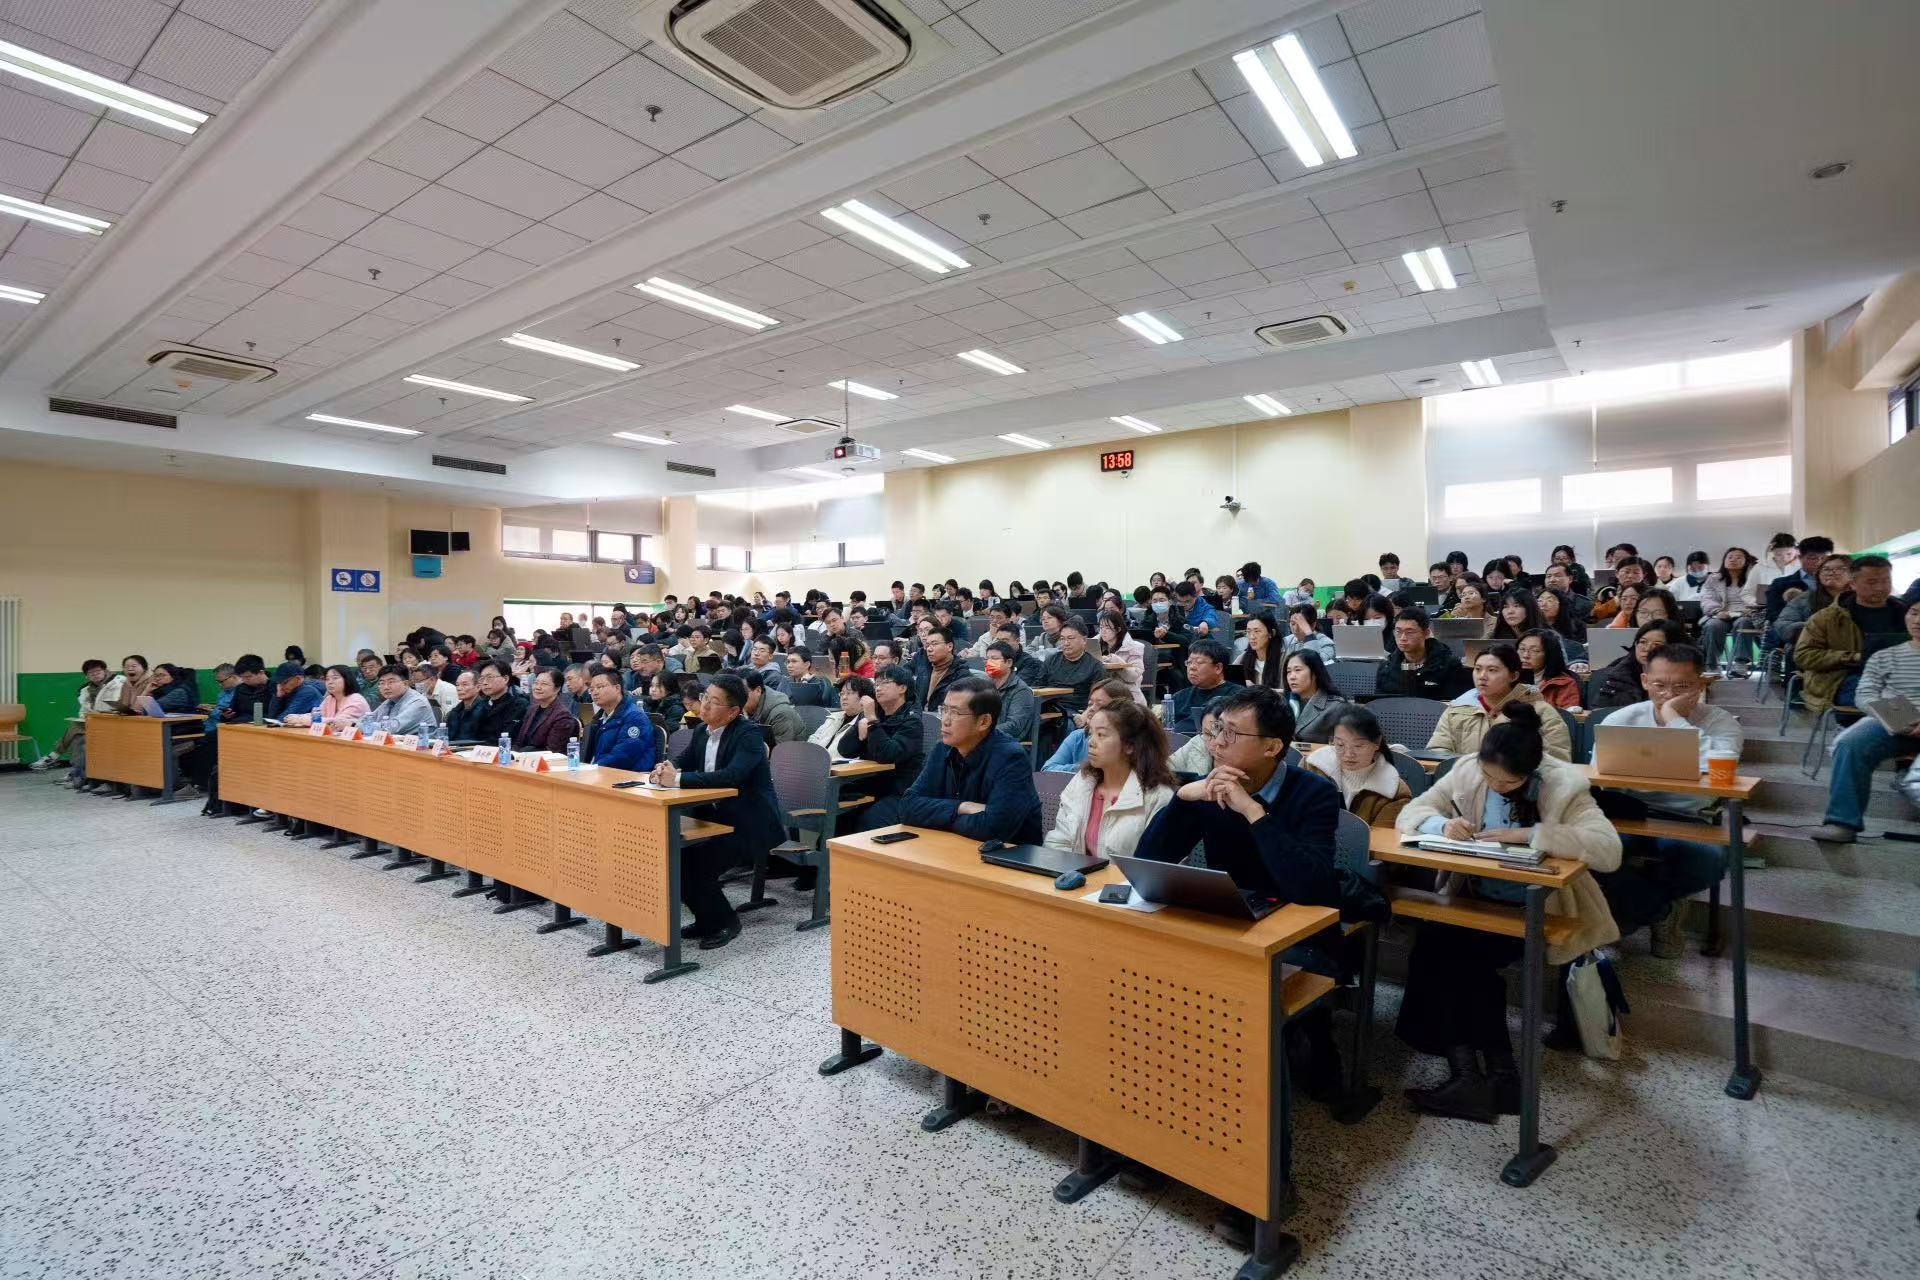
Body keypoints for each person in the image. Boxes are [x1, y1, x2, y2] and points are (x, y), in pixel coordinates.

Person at [1394, 701, 1621, 1120]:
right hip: (1477, 898)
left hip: (1539, 906)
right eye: (1489, 777)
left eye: (1508, 781)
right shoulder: (1469, 769)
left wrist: (1533, 834)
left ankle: (1481, 1077)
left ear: (1531, 772)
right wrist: (1442, 825)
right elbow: (1412, 812)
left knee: (1460, 960)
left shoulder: (1563, 785)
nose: (1496, 786)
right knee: (1436, 944)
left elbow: (1609, 850)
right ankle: (1492, 1076)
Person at [1133, 685, 1386, 924]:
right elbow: (1145, 870)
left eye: (1231, 733)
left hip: (1297, 927)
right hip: (1229, 918)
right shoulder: (1210, 789)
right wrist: (1181, 799)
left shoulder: (1315, 793)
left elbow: (1309, 889)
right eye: (1218, 729)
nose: (1217, 742)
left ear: (1272, 747)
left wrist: (1253, 812)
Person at [1594, 642, 1743, 954]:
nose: (1668, 695)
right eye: (1659, 685)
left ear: (1701, 685)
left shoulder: (1721, 721)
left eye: (1682, 687)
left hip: (1689, 817)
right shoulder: (1622, 718)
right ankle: (1662, 911)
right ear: (1645, 681)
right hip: (1628, 813)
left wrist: (1674, 719)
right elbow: (1599, 770)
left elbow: (1716, 769)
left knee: (1708, 859)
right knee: (1594, 849)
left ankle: (1627, 914)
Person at [650, 676, 786, 949]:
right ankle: (706, 920)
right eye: (705, 698)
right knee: (678, 859)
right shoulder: (703, 730)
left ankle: (726, 922)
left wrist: (678, 780)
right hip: (714, 818)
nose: (705, 705)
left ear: (733, 711)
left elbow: (731, 776)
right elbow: (683, 760)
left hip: (750, 823)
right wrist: (665, 768)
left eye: (714, 702)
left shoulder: (748, 735)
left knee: (697, 866)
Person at [1805, 599, 1920, 842]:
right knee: (1850, 743)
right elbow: (1865, 694)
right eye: (1914, 613)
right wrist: (1901, 719)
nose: (1917, 620)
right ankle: (1842, 823)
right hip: (1895, 720)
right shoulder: (1885, 655)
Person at [901, 677, 1043, 843]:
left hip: (1007, 855)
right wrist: (962, 807)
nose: (945, 720)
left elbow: (993, 829)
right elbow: (907, 807)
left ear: (984, 721)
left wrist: (938, 817)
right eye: (944, 709)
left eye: (955, 713)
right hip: (954, 846)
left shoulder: (1011, 758)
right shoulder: (942, 749)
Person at [1042, 699, 1175, 859]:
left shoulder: (1158, 797)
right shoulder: (1083, 781)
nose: (1091, 742)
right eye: (1090, 733)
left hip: (1126, 876)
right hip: (1075, 873)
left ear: (1130, 746)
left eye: (1101, 735)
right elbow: (1058, 842)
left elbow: (1155, 865)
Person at [1795, 555, 1910, 716]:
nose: (1880, 587)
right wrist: (1853, 657)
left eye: (1886, 581)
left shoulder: (1908, 614)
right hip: (1843, 679)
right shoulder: (1827, 618)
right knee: (1887, 699)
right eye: (1871, 582)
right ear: (1853, 583)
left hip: (1902, 675)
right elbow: (1803, 655)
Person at [1428, 645, 1572, 760]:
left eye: (1492, 670)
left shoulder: (1541, 713)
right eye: (1477, 669)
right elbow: (1437, 752)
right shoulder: (1457, 709)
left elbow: (1556, 763)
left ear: (1513, 676)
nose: (1482, 676)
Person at [1302, 705, 1412, 827]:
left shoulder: (1395, 793)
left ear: (1377, 742)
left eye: (1358, 746)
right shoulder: (1310, 767)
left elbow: (1378, 837)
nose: (1348, 754)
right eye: (1340, 744)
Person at [31, 659, 112, 771]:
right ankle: (76, 772)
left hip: (111, 720)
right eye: (91, 673)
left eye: (98, 671)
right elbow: (83, 710)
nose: (95, 674)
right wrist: (84, 717)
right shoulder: (85, 690)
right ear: (87, 676)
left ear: (105, 671)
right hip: (94, 721)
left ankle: (54, 757)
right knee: (77, 736)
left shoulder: (116, 683)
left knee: (75, 727)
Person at [1375, 606, 1471, 701]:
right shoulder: (1387, 667)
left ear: (1426, 633)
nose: (1402, 638)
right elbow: (1380, 702)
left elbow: (1456, 702)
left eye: (1409, 632)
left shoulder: (1448, 665)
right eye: (1398, 631)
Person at [1591, 619, 1690, 709]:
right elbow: (1599, 712)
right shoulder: (1618, 675)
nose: (1647, 648)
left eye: (1657, 644)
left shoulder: (1685, 678)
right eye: (1643, 642)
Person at [1697, 547, 1760, 674]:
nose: (1733, 560)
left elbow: (1761, 599)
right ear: (1724, 560)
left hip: (1746, 614)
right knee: (1712, 625)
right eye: (1729, 557)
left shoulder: (1754, 579)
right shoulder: (1713, 578)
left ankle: (1740, 664)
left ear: (1746, 562)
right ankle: (1712, 665)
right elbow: (1707, 598)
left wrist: (1752, 609)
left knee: (1743, 623)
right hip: (1721, 614)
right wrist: (1716, 611)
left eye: (1738, 557)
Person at [1042, 679, 1127, 772]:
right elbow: (1048, 769)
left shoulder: (1127, 742)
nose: (1091, 709)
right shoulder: (1078, 737)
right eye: (1090, 704)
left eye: (1099, 705)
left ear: (1119, 710)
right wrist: (1085, 768)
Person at [1772, 552, 1852, 649]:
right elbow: (1783, 625)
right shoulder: (1803, 599)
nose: (1831, 572)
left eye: (1839, 569)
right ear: (1818, 574)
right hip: (1810, 649)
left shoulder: (1861, 597)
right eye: (1826, 569)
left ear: (1853, 574)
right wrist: (1817, 629)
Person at [1168, 638, 1238, 731]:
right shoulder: (1179, 697)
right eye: (1189, 662)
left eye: (1199, 662)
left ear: (1218, 668)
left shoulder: (1236, 696)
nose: (1192, 667)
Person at [981, 640, 1038, 747]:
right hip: (982, 738)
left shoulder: (1021, 691)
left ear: (1009, 663)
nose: (988, 663)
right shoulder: (983, 686)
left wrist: (982, 732)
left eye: (994, 659)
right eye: (987, 659)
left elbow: (1014, 727)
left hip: (1005, 743)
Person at [1765, 536, 1834, 622]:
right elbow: (1773, 615)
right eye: (1813, 558)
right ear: (1800, 557)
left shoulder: (1839, 582)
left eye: (1825, 558)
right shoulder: (1780, 584)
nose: (1820, 562)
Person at [1282, 650, 1345, 743]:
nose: (1291, 677)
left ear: (1315, 673)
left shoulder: (1336, 707)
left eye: (1297, 670)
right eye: (1288, 671)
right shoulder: (1281, 703)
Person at [511, 669, 579, 755]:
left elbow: (553, 751)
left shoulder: (562, 716)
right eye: (536, 683)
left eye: (544, 684)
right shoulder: (532, 709)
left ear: (557, 689)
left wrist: (522, 753)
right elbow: (519, 741)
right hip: (523, 757)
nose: (537, 687)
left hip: (546, 761)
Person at [358, 664, 438, 737]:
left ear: (405, 684)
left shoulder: (418, 702)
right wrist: (353, 723)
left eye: (391, 682)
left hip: (420, 746)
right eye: (382, 683)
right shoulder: (391, 700)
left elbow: (391, 728)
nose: (386, 687)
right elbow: (369, 718)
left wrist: (355, 725)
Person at [283, 664, 368, 729]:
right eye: (327, 679)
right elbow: (317, 715)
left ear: (347, 679)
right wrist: (297, 717)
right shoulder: (330, 699)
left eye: (335, 678)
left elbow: (336, 723)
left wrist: (301, 720)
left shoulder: (356, 700)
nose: (330, 682)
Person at [1516, 629, 1581, 709]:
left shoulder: (1563, 684)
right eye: (1522, 649)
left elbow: (1568, 714)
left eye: (1535, 650)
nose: (1525, 655)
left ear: (1549, 654)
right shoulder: (1509, 678)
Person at [1094, 609, 1147, 704]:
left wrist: (1115, 659)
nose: (1103, 631)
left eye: (1107, 627)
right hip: (1104, 694)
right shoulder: (1097, 644)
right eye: (1101, 627)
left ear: (1118, 629)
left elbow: (1133, 676)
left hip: (1128, 696)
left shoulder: (1134, 647)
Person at [468, 661, 528, 742]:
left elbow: (508, 736)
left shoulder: (518, 704)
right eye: (482, 679)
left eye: (489, 677)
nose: (484, 683)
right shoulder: (480, 704)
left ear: (505, 679)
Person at [742, 670, 807, 744]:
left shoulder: (781, 713)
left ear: (758, 690)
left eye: (743, 693)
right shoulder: (738, 708)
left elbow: (782, 749)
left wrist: (746, 725)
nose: (738, 698)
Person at [914, 623, 967, 713]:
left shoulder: (961, 674)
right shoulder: (924, 670)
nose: (929, 649)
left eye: (934, 644)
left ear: (949, 646)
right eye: (927, 645)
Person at [1239, 611, 1285, 689]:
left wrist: (1254, 688)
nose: (1252, 637)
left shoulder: (1284, 659)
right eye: (1248, 631)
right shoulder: (1243, 657)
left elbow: (1290, 693)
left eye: (1257, 631)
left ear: (1271, 633)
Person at [133, 663, 197, 716]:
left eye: (162, 675)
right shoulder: (159, 691)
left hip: (183, 726)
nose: (157, 678)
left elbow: (149, 710)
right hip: (167, 724)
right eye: (155, 675)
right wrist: (146, 690)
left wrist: (139, 710)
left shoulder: (179, 692)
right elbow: (135, 710)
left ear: (172, 677)